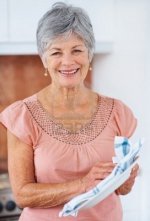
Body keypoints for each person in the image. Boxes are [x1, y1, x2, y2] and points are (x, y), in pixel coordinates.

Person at [0, 2, 139, 221]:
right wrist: (82, 184)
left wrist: (126, 180)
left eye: (77, 50)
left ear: (89, 54)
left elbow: (120, 190)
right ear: (44, 59)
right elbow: (23, 195)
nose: (67, 61)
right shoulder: (23, 116)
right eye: (56, 52)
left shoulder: (118, 113)